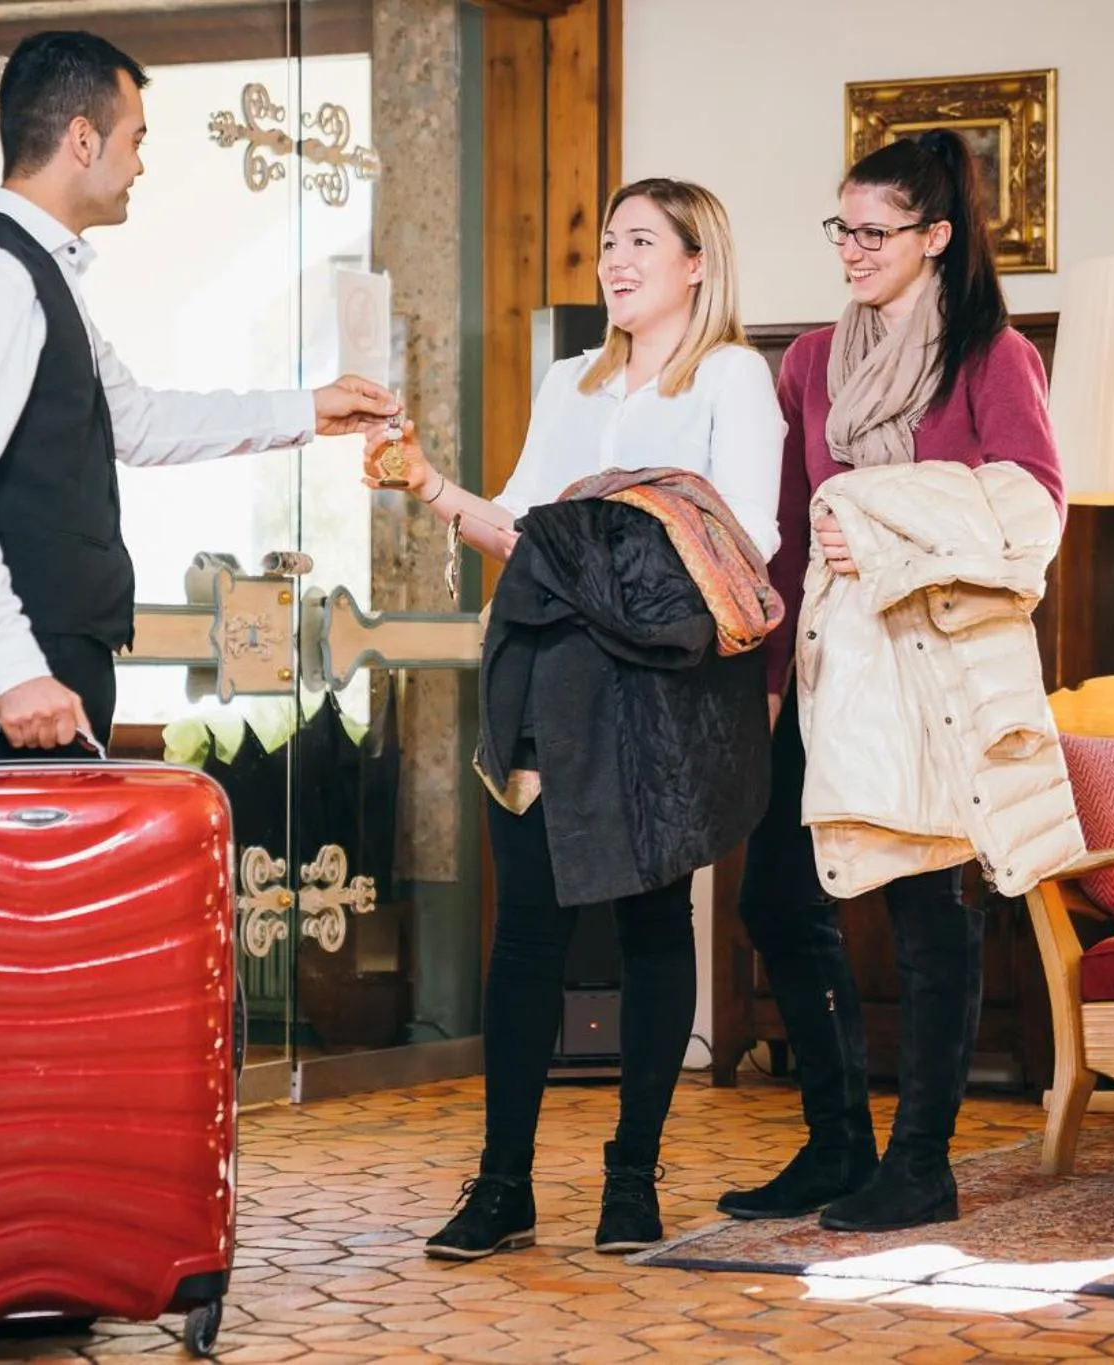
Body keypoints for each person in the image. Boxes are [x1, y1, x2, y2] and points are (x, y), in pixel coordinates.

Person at [360, 178, 784, 1260]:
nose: (615, 259)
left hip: (656, 697)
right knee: (526, 933)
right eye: (607, 241)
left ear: (697, 262)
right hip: (543, 681)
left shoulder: (732, 377)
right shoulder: (569, 381)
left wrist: (588, 542)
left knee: (653, 925)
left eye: (642, 240)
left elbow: (743, 541)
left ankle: (630, 1180)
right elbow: (521, 530)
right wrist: (431, 485)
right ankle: (502, 1185)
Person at [718, 131, 1067, 1233]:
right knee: (777, 897)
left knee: (928, 908)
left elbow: (1033, 507)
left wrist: (883, 520)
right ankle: (837, 1144)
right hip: (829, 663)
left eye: (875, 231)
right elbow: (787, 531)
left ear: (936, 236)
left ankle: (921, 1162)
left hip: (933, 665)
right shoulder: (810, 363)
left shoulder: (992, 358)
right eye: (843, 227)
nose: (852, 249)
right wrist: (769, 673)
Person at [0, 30, 398, 762]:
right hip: (15, 698)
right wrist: (16, 672)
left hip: (49, 680)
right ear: (82, 139)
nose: (140, 163)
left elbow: (136, 420)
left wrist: (307, 410)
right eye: (135, 139)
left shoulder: (39, 274)